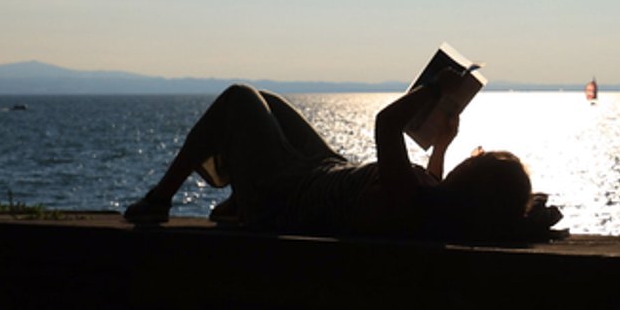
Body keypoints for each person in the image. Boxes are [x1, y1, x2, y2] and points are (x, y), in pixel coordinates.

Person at [122, 82, 562, 242]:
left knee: (240, 98)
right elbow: (434, 191)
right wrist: (442, 146)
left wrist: (435, 90)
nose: (471, 157)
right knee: (269, 103)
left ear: (472, 179)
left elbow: (386, 123)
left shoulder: (403, 195)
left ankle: (162, 199)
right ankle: (237, 198)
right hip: (322, 173)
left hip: (284, 192)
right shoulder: (436, 207)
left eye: (475, 159)